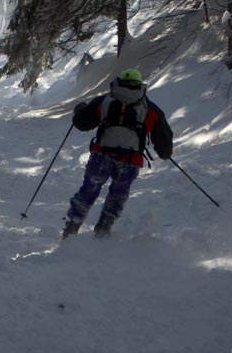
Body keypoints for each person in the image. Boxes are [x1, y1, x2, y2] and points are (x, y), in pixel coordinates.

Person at [62, 68, 173, 239]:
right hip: (129, 160)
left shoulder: (104, 101)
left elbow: (82, 123)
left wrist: (79, 110)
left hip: (102, 155)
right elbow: (164, 144)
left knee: (88, 190)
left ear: (119, 82)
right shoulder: (150, 109)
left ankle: (71, 228)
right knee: (118, 195)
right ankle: (103, 230)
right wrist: (164, 152)